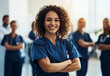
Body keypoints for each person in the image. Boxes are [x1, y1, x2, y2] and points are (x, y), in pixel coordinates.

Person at [31, 5, 82, 76]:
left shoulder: (67, 42)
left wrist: (53, 67)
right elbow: (47, 68)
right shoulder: (38, 43)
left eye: (56, 20)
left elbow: (77, 65)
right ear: (42, 22)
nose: (52, 23)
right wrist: (68, 61)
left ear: (61, 23)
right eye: (48, 20)